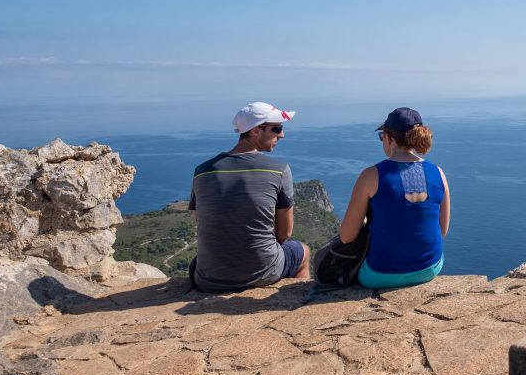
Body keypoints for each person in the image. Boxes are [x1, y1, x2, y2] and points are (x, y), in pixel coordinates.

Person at [188, 101, 311, 291]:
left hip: (208, 277)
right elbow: (284, 234)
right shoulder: (279, 170)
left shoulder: (202, 171)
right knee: (302, 251)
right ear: (255, 131)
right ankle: (296, 300)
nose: (282, 134)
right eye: (276, 128)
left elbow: (200, 220)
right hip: (263, 272)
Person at [338, 107, 450, 289]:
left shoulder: (371, 175)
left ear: (389, 137)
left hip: (379, 275)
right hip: (429, 269)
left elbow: (346, 237)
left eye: (382, 136)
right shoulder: (438, 173)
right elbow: (442, 230)